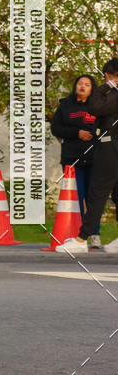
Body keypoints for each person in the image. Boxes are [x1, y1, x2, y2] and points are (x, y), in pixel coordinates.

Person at [58, 58, 118, 254]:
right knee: (116, 195)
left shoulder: (114, 95)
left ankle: (82, 238)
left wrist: (104, 87)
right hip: (111, 146)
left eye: (105, 76)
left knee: (97, 193)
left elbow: (95, 107)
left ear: (109, 75)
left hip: (110, 148)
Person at [50, 74, 100, 247]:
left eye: (87, 84)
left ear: (92, 88)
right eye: (80, 83)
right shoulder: (65, 106)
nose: (83, 86)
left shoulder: (98, 106)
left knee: (93, 198)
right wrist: (76, 133)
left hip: (95, 158)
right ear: (75, 86)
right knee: (75, 198)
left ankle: (94, 234)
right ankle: (76, 235)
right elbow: (55, 128)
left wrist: (92, 135)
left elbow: (106, 128)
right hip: (72, 159)